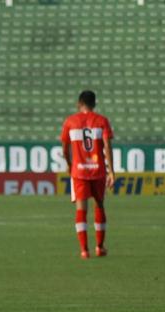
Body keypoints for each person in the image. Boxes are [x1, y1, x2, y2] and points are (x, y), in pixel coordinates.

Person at [60, 90, 114, 259]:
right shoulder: (101, 120)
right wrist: (111, 170)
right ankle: (99, 247)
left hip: (79, 172)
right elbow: (107, 146)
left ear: (79, 103)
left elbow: (64, 148)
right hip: (98, 170)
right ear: (94, 104)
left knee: (81, 210)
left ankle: (84, 250)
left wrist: (69, 164)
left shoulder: (70, 121)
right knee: (99, 205)